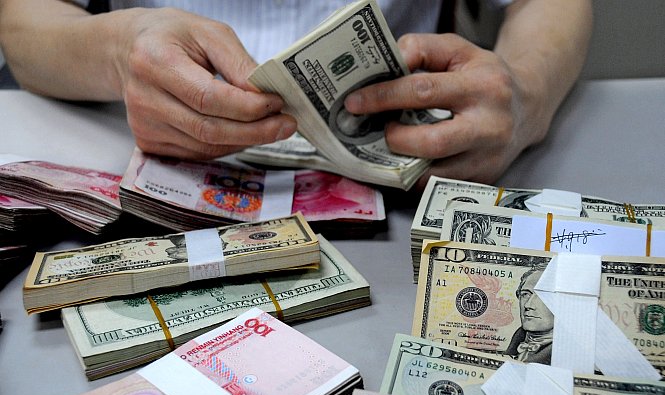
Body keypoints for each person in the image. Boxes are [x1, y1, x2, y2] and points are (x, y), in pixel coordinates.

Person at [0, 0, 592, 190]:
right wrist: (113, 53)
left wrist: (527, 94)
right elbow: (23, 19)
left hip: (407, 175)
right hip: (141, 167)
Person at [503, 263, 553, 364]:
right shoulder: (516, 342)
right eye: (525, 294)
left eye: (542, 296)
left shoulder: (571, 354)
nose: (528, 305)